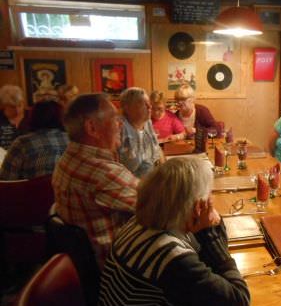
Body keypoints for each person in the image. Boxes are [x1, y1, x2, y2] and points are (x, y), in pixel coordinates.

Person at [98, 157, 250, 306]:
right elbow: (239, 301)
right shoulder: (172, 256)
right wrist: (209, 232)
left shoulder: (141, 221)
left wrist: (208, 227)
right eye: (209, 196)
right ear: (199, 207)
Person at [52, 93, 138, 268]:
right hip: (119, 270)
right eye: (115, 119)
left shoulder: (68, 158)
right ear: (92, 128)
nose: (120, 124)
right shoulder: (103, 172)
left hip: (86, 266)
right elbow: (165, 206)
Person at [0, 100, 68, 180]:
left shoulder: (22, 143)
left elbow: (6, 180)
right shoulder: (73, 140)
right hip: (62, 191)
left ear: (33, 117)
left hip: (30, 192)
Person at [118, 87, 164, 178]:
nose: (150, 107)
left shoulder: (147, 122)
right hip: (131, 183)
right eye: (143, 103)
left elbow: (157, 149)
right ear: (127, 107)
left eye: (149, 103)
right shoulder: (119, 128)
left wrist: (164, 170)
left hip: (151, 179)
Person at [0, 84, 27, 150]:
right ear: (4, 106)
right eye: (12, 107)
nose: (17, 110)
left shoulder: (31, 116)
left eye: (19, 105)